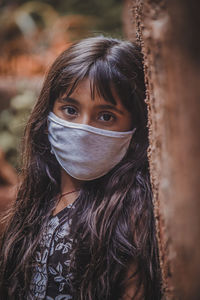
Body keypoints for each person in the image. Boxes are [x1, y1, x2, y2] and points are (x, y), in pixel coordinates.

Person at [0, 36, 162, 299]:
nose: (84, 129)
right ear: (48, 112)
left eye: (106, 116)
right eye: (70, 110)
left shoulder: (132, 214)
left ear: (135, 127)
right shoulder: (36, 198)